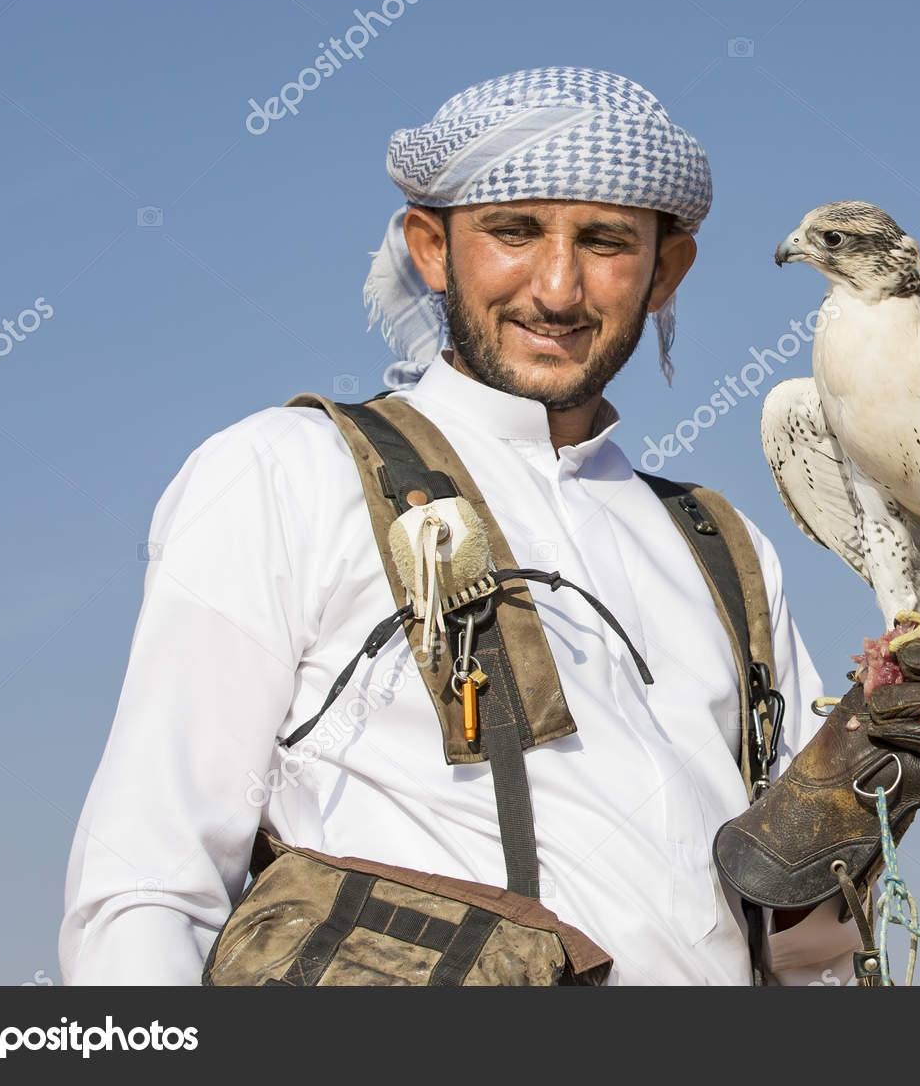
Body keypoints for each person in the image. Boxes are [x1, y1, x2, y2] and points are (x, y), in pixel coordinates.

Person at [58, 66, 863, 986]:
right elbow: (147, 885)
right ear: (432, 248)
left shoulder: (722, 549)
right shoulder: (286, 471)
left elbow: (806, 954)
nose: (557, 289)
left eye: (604, 242)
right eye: (513, 232)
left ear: (665, 270)